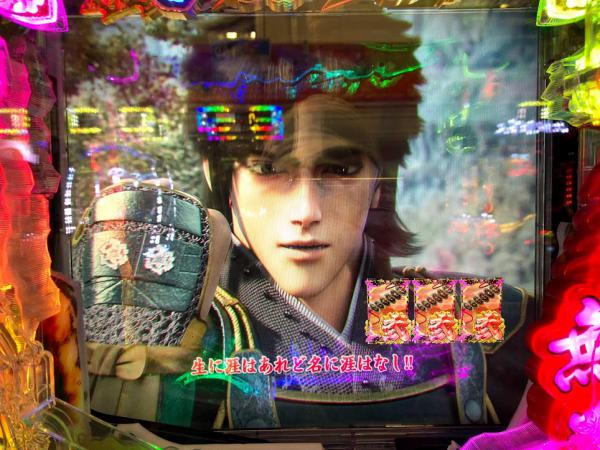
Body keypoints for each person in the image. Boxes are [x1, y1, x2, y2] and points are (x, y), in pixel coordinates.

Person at [78, 14, 531, 432]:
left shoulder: (461, 314)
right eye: (269, 168)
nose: (306, 210)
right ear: (224, 180)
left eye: (339, 169)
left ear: (379, 185)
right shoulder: (175, 335)